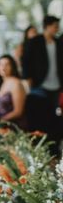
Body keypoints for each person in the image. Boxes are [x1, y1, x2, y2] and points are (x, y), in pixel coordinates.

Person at [22, 15, 63, 147]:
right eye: (55, 26)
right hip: (39, 84)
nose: (57, 29)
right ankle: (39, 144)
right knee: (39, 115)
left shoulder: (58, 42)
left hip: (56, 85)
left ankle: (52, 145)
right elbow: (26, 61)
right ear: (47, 26)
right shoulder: (36, 42)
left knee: (54, 116)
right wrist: (28, 78)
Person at [0, 55, 27, 129]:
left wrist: (1, 120)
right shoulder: (1, 83)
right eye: (0, 64)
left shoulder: (16, 83)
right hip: (2, 126)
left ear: (12, 66)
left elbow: (18, 111)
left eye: (7, 64)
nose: (3, 67)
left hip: (14, 126)